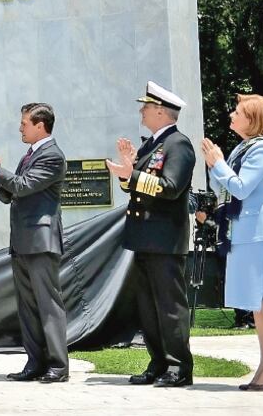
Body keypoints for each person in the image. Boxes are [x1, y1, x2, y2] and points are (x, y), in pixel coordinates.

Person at [201, 93, 263, 391]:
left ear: (253, 119)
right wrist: (214, 164)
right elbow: (224, 187)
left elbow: (240, 189)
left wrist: (217, 163)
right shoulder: (244, 149)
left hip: (262, 232)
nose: (232, 114)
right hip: (245, 233)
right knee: (258, 304)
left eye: (238, 111)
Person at [106, 81, 195, 388]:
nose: (141, 111)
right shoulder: (152, 145)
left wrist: (132, 174)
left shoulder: (178, 144)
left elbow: (170, 188)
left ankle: (178, 366)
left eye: (145, 106)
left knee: (169, 308)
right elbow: (136, 189)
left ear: (160, 111)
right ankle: (158, 362)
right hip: (144, 238)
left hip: (165, 240)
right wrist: (128, 171)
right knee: (148, 307)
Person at [0, 103, 68, 383]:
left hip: (41, 241)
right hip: (22, 241)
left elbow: (22, 185)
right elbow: (11, 194)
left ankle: (58, 365)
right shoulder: (31, 154)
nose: (20, 128)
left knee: (48, 305)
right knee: (28, 307)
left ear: (40, 125)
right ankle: (35, 363)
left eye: (25, 123)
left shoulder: (52, 155)